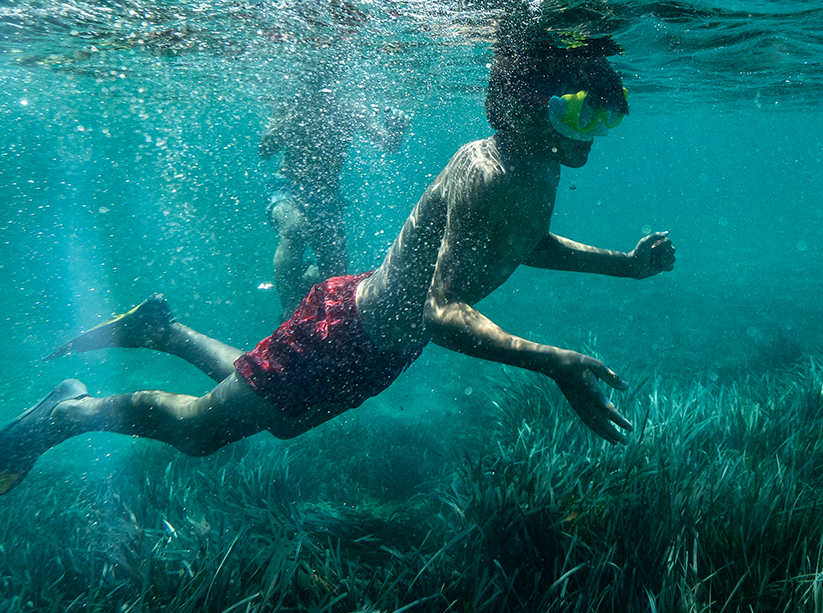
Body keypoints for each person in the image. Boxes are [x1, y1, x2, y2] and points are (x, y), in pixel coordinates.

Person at [0, 34, 675, 495]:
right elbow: (439, 312)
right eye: (581, 114)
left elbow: (527, 243)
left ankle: (163, 331)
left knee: (284, 418)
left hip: (377, 345)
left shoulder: (536, 167)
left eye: (604, 121)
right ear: (524, 108)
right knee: (200, 430)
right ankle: (64, 415)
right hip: (345, 332)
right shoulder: (487, 172)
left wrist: (627, 266)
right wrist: (555, 362)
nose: (590, 136)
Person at [259, 73, 411, 316]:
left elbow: (388, 144)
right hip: (287, 187)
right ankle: (288, 311)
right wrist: (290, 120)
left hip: (328, 196)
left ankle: (309, 284)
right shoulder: (289, 105)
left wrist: (397, 129)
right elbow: (264, 149)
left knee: (335, 278)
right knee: (294, 229)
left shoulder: (351, 109)